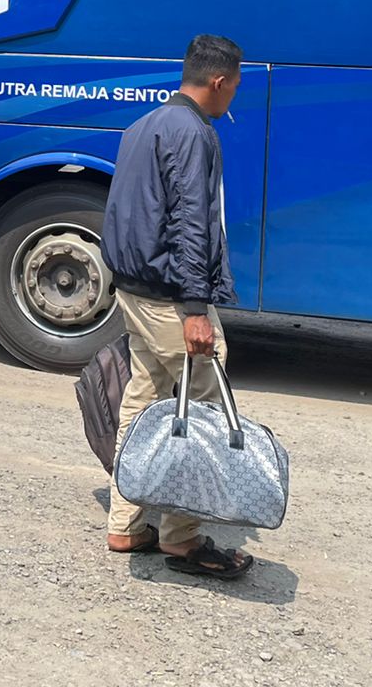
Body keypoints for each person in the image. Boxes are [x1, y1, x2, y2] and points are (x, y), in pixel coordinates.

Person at [101, 34, 252, 580]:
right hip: (170, 299)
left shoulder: (144, 125)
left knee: (143, 400)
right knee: (204, 413)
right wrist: (195, 308)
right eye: (235, 84)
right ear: (218, 82)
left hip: (133, 291)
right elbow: (193, 222)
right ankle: (182, 539)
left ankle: (124, 522)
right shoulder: (194, 133)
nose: (235, 94)